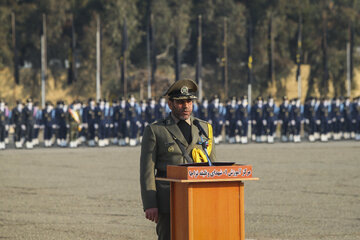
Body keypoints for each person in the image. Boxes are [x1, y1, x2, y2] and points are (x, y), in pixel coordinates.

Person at [140, 79, 216, 240]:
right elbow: (147, 171)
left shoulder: (203, 128)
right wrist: (150, 204)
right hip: (168, 200)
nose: (186, 106)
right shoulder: (156, 130)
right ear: (170, 104)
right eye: (180, 102)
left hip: (199, 198)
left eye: (189, 101)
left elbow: (212, 167)